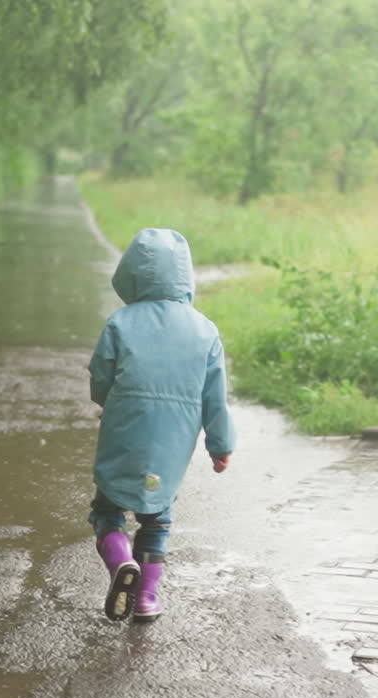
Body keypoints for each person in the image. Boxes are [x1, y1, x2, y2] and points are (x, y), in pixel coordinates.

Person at [88, 227, 235, 623]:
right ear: (185, 276)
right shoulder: (205, 330)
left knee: (107, 508)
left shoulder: (120, 323)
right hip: (172, 443)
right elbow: (214, 396)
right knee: (158, 520)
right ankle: (146, 597)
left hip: (124, 431)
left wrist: (109, 404)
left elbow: (101, 377)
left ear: (132, 273)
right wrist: (220, 445)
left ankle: (120, 560)